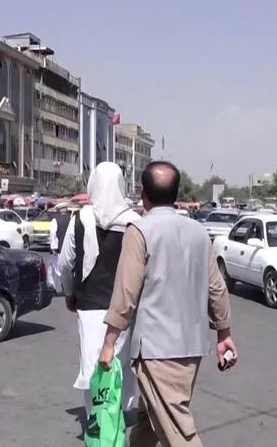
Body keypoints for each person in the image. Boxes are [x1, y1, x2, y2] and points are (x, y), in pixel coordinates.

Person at [97, 161, 237, 447]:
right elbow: (216, 288)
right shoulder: (198, 232)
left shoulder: (140, 230)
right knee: (150, 418)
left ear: (143, 194)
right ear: (175, 194)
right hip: (191, 347)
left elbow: (126, 292)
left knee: (179, 432)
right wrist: (224, 333)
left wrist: (109, 343)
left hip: (157, 350)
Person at [55, 162, 142, 417]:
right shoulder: (134, 222)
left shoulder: (80, 218)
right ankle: (118, 413)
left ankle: (96, 415)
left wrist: (69, 293)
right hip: (124, 307)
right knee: (120, 361)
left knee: (92, 361)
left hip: (89, 304)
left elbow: (65, 262)